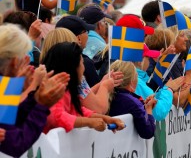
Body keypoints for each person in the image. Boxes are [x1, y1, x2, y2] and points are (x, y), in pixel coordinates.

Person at [0, 24, 69, 157]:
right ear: (15, 61)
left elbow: (12, 123)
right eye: (24, 56)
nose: (27, 61)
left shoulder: (6, 84)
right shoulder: (5, 84)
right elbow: (15, 143)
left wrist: (36, 97)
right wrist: (41, 106)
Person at [43, 42, 125, 133]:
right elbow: (56, 116)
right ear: (73, 67)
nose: (84, 68)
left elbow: (78, 111)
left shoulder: (66, 90)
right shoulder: (53, 91)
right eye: (82, 63)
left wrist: (106, 119)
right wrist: (89, 122)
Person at [40, 28, 119, 115]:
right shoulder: (73, 76)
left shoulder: (41, 73)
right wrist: (105, 86)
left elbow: (82, 97)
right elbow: (98, 109)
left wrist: (101, 83)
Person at [109, 60, 156, 139]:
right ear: (132, 81)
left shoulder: (104, 95)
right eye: (136, 76)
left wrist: (143, 106)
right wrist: (148, 109)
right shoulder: (132, 102)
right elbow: (148, 132)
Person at [56, 15, 100, 87]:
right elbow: (96, 95)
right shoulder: (83, 62)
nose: (87, 35)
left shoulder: (49, 58)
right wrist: (104, 85)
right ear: (78, 38)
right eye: (86, 31)